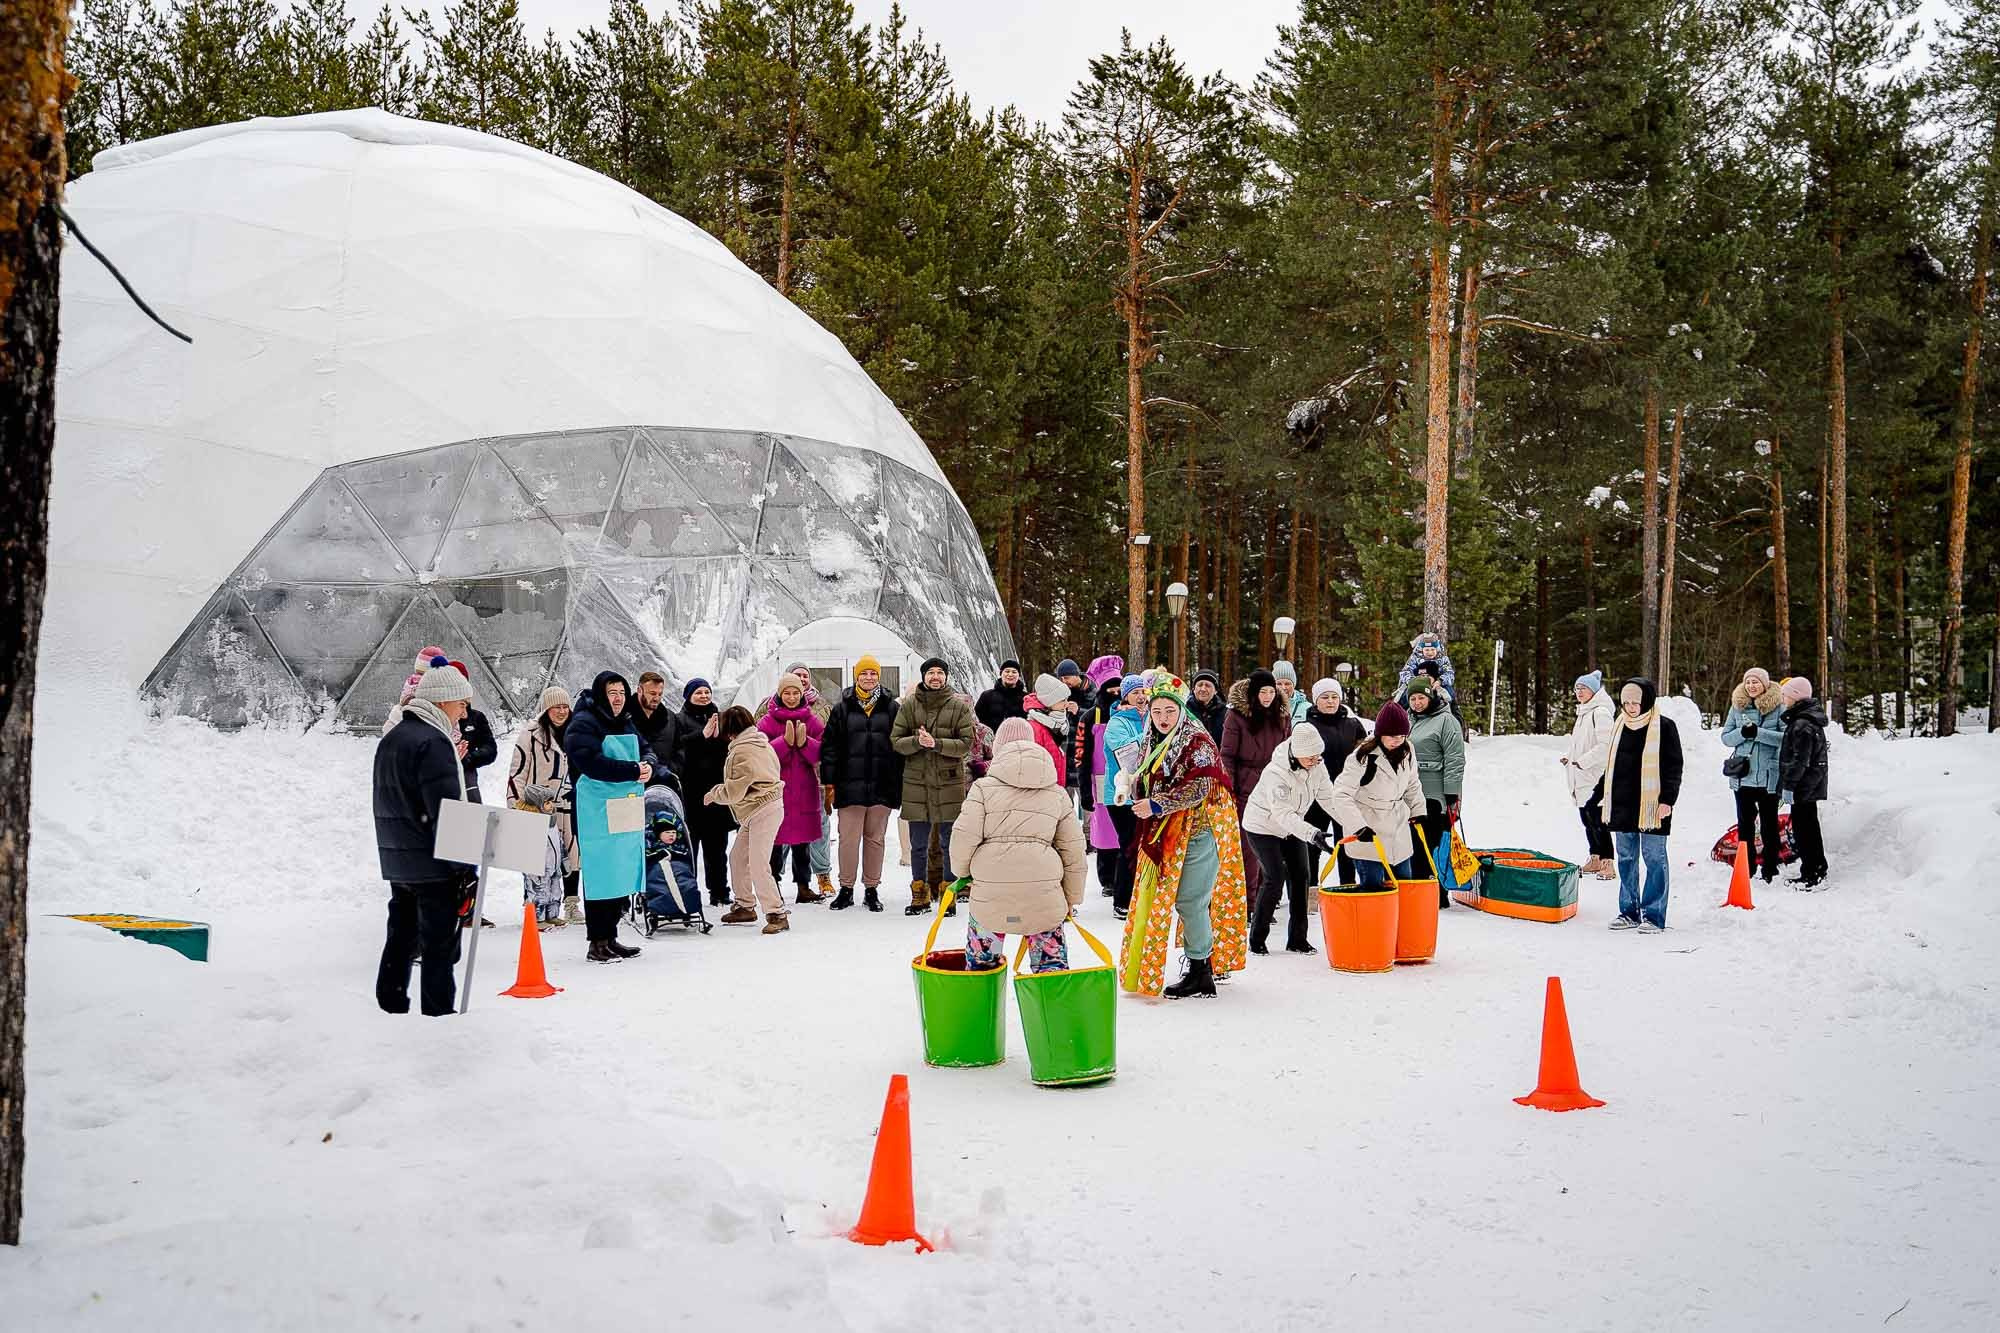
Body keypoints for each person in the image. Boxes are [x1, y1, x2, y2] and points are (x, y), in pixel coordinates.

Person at [1120, 672, 1250, 999]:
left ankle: (1201, 970)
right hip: (1172, 829)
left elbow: (1201, 786)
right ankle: (1198, 964)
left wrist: (1158, 803)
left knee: (1191, 900)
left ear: (1181, 711)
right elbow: (1150, 774)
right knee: (1180, 899)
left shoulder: (1197, 740)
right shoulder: (1154, 738)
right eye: (1157, 711)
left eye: (1170, 711)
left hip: (1202, 829)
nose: (1163, 718)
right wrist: (1132, 784)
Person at [373, 662, 477, 1015]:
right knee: (438, 946)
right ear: (444, 701)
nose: (464, 713)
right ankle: (437, 1017)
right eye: (461, 704)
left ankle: (391, 1004)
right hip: (433, 865)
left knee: (400, 937)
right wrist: (463, 869)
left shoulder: (394, 738)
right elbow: (447, 814)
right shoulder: (434, 743)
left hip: (401, 861)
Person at [953, 717, 1087, 972]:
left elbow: (963, 837)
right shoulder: (1056, 792)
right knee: (1051, 968)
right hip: (1044, 895)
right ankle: (1051, 1005)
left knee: (981, 966)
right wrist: (1071, 897)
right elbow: (1073, 851)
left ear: (1000, 749)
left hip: (990, 892)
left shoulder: (982, 788)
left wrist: (964, 874)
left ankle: (981, 1005)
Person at [564, 670, 656, 962]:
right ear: (601, 694)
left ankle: (612, 936)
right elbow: (590, 762)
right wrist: (631, 771)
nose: (617, 699)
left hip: (623, 805)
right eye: (611, 693)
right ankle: (597, 941)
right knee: (601, 873)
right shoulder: (583, 723)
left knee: (621, 870)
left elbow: (646, 748)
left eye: (620, 693)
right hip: (596, 812)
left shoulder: (625, 720)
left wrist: (649, 765)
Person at [1241, 722, 1341, 954]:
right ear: (1297, 755)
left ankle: (1297, 939)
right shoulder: (1276, 773)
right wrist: (1312, 833)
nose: (1316, 761)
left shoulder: (1317, 765)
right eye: (1310, 758)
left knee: (1301, 876)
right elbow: (1282, 814)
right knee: (1274, 878)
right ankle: (1257, 939)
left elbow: (1329, 799)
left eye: (1318, 756)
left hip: (1292, 825)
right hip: (1262, 826)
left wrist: (1352, 824)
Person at [1595, 677, 1683, 932]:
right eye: (1626, 702)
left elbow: (1673, 767)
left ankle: (1653, 914)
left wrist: (1668, 800)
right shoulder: (1619, 725)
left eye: (1636, 702)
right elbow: (1611, 767)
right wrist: (1602, 795)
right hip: (1623, 804)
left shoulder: (1664, 727)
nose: (1631, 707)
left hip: (1652, 805)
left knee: (1654, 858)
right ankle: (1629, 911)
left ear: (1646, 701)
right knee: (1626, 857)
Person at [891, 657, 975, 915]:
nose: (935, 677)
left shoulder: (958, 707)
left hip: (948, 784)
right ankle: (919, 894)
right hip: (917, 784)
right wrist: (918, 741)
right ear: (924, 677)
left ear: (946, 677)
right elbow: (896, 740)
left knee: (949, 842)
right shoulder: (908, 706)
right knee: (919, 843)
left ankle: (948, 895)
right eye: (931, 673)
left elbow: (965, 744)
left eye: (940, 672)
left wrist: (936, 743)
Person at [821, 654, 902, 911]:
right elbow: (830, 747)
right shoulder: (842, 707)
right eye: (864, 674)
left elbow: (899, 747)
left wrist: (897, 781)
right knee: (848, 838)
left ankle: (871, 888)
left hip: (882, 783)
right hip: (850, 784)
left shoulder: (892, 708)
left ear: (879, 677)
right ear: (857, 676)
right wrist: (830, 782)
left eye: (873, 674)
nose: (869, 678)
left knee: (875, 839)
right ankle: (846, 888)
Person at [1327, 701, 1428, 891]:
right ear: (1380, 733)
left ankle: (1402, 922)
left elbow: (1412, 784)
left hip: (1397, 827)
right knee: (1374, 888)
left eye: (1401, 735)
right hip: (1369, 830)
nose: (1397, 740)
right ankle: (1372, 921)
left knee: (1404, 884)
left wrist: (1418, 810)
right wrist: (1358, 827)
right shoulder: (1363, 757)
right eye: (1391, 735)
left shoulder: (1408, 750)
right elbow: (1341, 794)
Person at [757, 663, 837, 898]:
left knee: (802, 840)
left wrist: (805, 744)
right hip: (776, 788)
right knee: (775, 839)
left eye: (795, 693)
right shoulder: (768, 721)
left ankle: (804, 886)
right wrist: (783, 742)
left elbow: (823, 751)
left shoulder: (811, 719)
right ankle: (774, 886)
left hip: (804, 788)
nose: (791, 697)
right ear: (780, 694)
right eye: (787, 693)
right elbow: (761, 753)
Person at [708, 706, 790, 933]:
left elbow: (735, 791)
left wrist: (714, 794)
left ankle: (777, 913)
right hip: (762, 808)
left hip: (762, 809)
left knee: (757, 863)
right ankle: (745, 905)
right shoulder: (761, 742)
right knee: (737, 857)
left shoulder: (742, 751)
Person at [507, 685, 580, 927]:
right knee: (535, 864)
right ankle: (533, 912)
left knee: (561, 861)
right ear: (546, 709)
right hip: (535, 807)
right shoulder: (530, 735)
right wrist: (517, 807)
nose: (562, 711)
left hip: (564, 808)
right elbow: (517, 774)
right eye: (556, 707)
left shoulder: (573, 733)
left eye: (565, 707)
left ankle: (552, 910)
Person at [1221, 667, 1289, 908]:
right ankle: (1248, 902)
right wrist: (1230, 787)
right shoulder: (1237, 716)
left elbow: (1287, 751)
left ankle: (1265, 901)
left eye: (1271, 691)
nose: (1268, 696)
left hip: (1274, 785)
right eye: (1263, 691)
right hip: (1246, 786)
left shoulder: (1282, 716)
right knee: (1248, 848)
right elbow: (1227, 755)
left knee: (1271, 846)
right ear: (1254, 693)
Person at [668, 678, 733, 906]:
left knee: (717, 849)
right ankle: (688, 892)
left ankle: (720, 892)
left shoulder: (721, 718)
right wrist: (702, 736)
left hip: (717, 793)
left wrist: (719, 738)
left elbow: (730, 748)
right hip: (691, 793)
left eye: (707, 692)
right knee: (689, 847)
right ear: (688, 696)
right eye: (698, 692)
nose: (704, 696)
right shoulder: (678, 720)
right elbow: (677, 747)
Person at [1720, 666, 1787, 884]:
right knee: (1745, 826)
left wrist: (1759, 733)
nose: (1751, 686)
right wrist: (1742, 733)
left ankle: (1770, 869)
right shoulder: (1737, 705)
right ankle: (1745, 868)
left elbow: (1784, 737)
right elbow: (1726, 738)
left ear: (1765, 684)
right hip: (1743, 776)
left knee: (1769, 826)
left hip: (1768, 776)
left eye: (1755, 682)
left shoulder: (1778, 706)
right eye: (1748, 682)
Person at [1403, 676, 1464, 903]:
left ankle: (1438, 893)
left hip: (1435, 794)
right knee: (1414, 844)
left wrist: (1451, 791)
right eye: (1413, 698)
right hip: (1411, 794)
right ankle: (1418, 890)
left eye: (1421, 697)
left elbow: (1455, 758)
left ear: (1430, 696)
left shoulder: (1446, 721)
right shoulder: (1409, 720)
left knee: (1434, 844)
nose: (1417, 702)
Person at [1302, 678, 1366, 886]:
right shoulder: (1307, 726)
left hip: (1345, 794)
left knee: (1346, 842)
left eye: (1334, 697)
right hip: (1316, 795)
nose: (1330, 701)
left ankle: (1347, 884)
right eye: (1324, 697)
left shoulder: (1353, 725)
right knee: (1313, 842)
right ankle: (1309, 888)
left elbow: (1365, 755)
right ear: (1315, 700)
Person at [1098, 674, 1151, 915]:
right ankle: (1122, 900)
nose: (1141, 696)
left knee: (1144, 845)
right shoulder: (1117, 722)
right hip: (1119, 794)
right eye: (1135, 692)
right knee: (1129, 845)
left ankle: (1141, 895)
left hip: (1145, 793)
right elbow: (1127, 753)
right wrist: (1153, 735)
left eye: (1144, 691)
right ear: (1126, 695)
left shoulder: (1150, 716)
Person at [1777, 675, 1830, 889]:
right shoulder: (1804, 720)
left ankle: (1813, 874)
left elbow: (1800, 760)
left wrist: (1789, 786)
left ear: (1795, 697)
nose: (1783, 699)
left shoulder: (1802, 724)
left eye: (1785, 695)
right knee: (1808, 828)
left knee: (1805, 830)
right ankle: (1814, 869)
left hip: (1804, 787)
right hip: (1808, 785)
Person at [1562, 671, 1616, 879]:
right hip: (1581, 775)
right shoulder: (1584, 712)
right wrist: (1570, 758)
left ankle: (1607, 863)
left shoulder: (1600, 712)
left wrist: (1583, 762)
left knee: (1597, 820)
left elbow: (1606, 746)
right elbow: (1581, 744)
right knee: (1587, 818)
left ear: (1593, 690)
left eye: (1583, 688)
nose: (1579, 692)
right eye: (1576, 689)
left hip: (1595, 776)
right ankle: (1594, 857)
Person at [444, 661, 498, 804]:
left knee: (473, 818)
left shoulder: (476, 718)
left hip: (467, 775)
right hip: (441, 777)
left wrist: (469, 758)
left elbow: (490, 749)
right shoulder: (439, 718)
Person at [1057, 658, 1095, 801]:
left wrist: (1079, 711)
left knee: (1088, 808)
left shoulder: (1093, 691)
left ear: (1076, 674)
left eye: (1066, 677)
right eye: (1061, 679)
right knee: (1064, 807)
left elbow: (1098, 718)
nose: (1064, 681)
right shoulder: (1062, 693)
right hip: (1065, 752)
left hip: (1084, 753)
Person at [1026, 673, 1072, 783]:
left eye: (1067, 699)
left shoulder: (1060, 724)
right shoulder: (1034, 728)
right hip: (1043, 788)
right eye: (1062, 700)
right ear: (1049, 702)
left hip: (1057, 785)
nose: (1067, 704)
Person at [629, 669, 675, 759]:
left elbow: (678, 748)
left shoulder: (670, 717)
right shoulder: (623, 715)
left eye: (660, 694)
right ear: (639, 690)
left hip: (665, 771)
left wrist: (674, 768)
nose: (656, 698)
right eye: (652, 693)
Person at [1396, 631, 1458, 696]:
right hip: (1417, 683)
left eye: (1432, 649)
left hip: (1436, 684)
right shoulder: (1415, 658)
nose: (1430, 653)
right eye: (1427, 650)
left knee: (1449, 693)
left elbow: (1449, 673)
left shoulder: (1443, 659)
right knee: (1404, 695)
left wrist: (1440, 681)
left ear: (1437, 649)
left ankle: (1451, 705)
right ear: (1422, 649)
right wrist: (1413, 680)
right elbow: (1405, 672)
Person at [974, 659, 1028, 732]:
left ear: (1019, 675)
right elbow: (977, 719)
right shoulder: (987, 696)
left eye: (1014, 672)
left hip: (1019, 741)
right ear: (1001, 673)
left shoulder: (1026, 698)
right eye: (1007, 671)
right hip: (992, 740)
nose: (1010, 674)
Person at [1189, 670, 1227, 742]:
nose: (1203, 689)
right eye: (1200, 685)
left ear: (1215, 691)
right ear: (1193, 689)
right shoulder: (1185, 710)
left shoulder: (1225, 713)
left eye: (1208, 685)